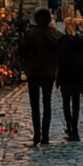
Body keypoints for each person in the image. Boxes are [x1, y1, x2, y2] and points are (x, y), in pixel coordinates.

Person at [18, 8, 61, 145]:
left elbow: (21, 52)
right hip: (48, 73)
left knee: (34, 105)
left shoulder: (29, 34)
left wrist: (24, 67)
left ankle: (37, 134)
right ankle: (45, 136)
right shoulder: (55, 35)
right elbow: (62, 54)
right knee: (47, 103)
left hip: (33, 72)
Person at [56, 16, 83, 141]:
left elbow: (59, 61)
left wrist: (58, 78)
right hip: (79, 77)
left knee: (66, 103)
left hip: (66, 77)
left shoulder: (62, 40)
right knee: (76, 103)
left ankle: (69, 126)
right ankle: (74, 129)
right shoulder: (82, 40)